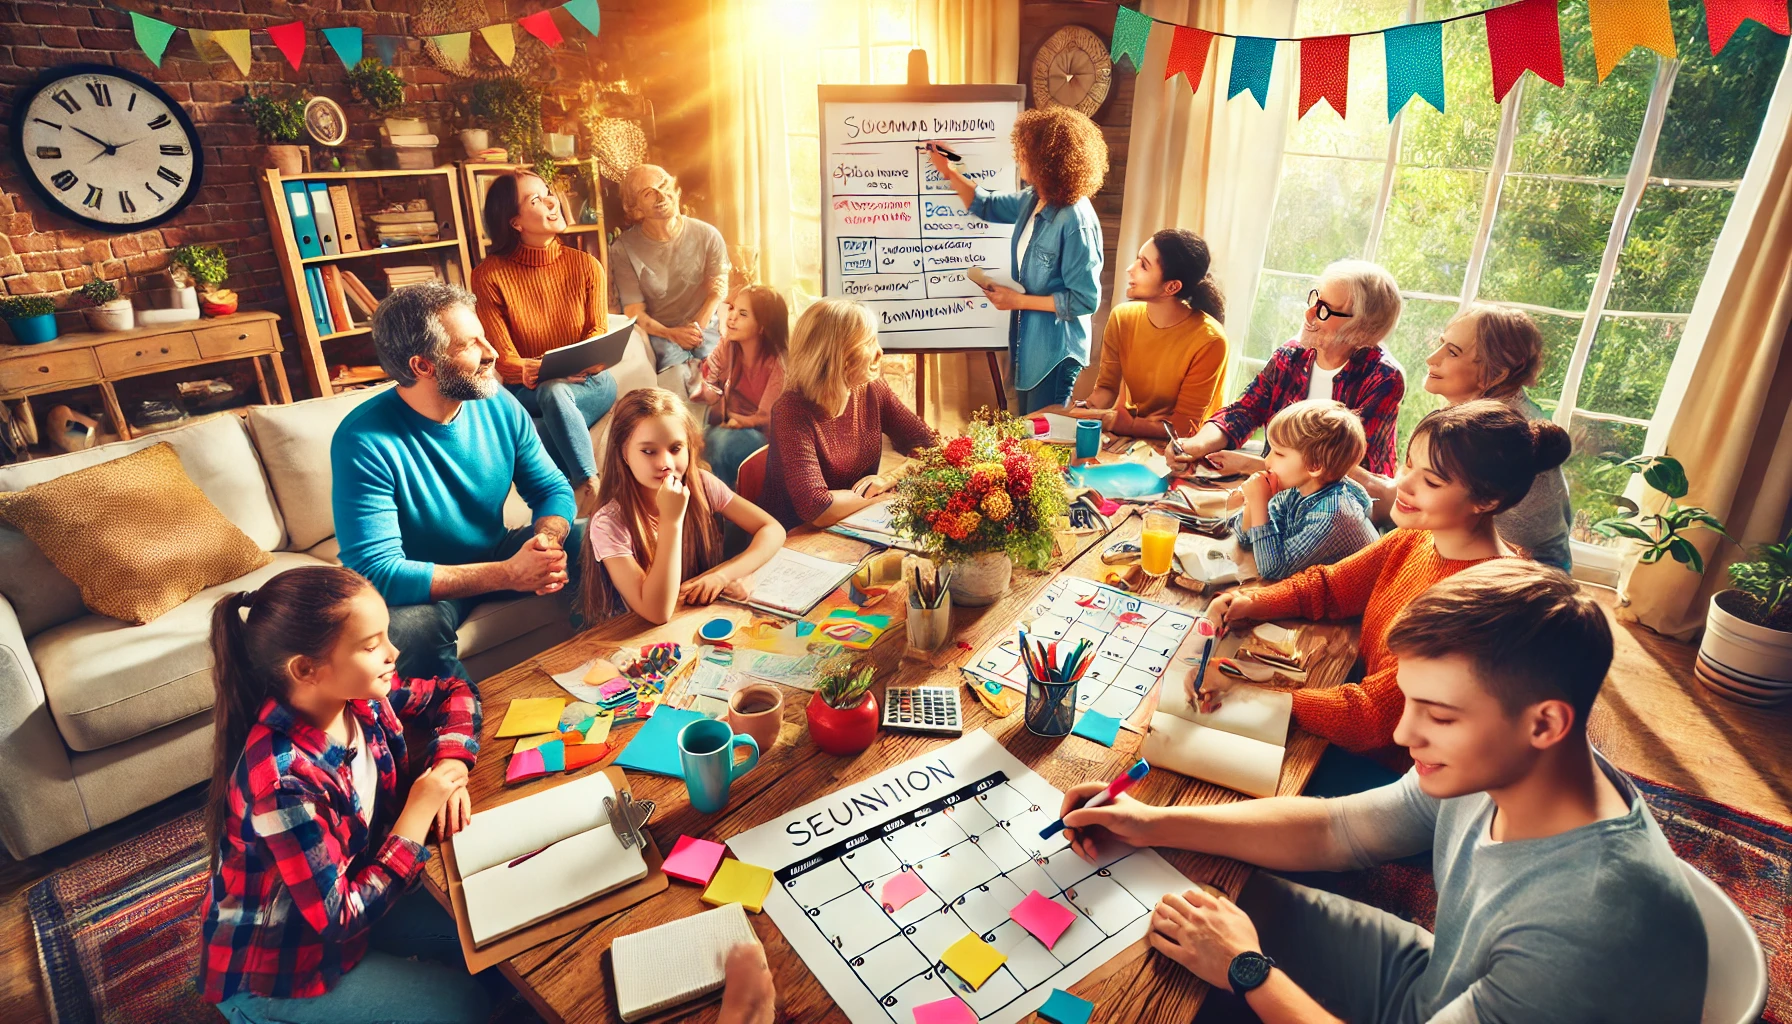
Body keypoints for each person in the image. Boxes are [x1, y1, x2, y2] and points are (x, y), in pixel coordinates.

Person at [1060, 561, 1706, 1024]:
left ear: (1545, 722)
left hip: (1449, 999)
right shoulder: (1520, 765)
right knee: (1174, 892)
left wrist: (1247, 970)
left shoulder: (1588, 929)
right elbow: (1336, 829)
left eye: (1440, 716)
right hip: (1434, 983)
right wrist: (1150, 822)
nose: (1403, 732)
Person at [1199, 400, 1572, 775]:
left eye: (1431, 480)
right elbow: (1330, 587)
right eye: (1409, 464)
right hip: (1353, 724)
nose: (1403, 485)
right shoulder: (1417, 538)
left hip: (1397, 771)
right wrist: (1249, 602)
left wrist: (1246, 691)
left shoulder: (1483, 604)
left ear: (1487, 500)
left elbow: (1370, 719)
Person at [200, 565, 490, 1024]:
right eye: (372, 646)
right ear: (305, 669)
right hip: (282, 966)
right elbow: (339, 918)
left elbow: (454, 692)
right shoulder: (282, 784)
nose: (394, 652)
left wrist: (451, 760)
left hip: (353, 894)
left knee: (494, 936)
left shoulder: (363, 698)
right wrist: (416, 811)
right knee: (463, 1006)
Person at [334, 283, 578, 687]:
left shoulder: (496, 402)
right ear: (423, 366)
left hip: (498, 549)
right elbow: (376, 572)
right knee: (406, 631)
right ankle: (466, 731)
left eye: (483, 336)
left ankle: (609, 674)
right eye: (470, 345)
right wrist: (508, 574)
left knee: (599, 538)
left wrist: (547, 542)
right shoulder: (362, 441)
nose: (492, 352)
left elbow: (551, 486)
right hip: (424, 584)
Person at [1355, 305, 1574, 569]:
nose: (1431, 359)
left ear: (1498, 373)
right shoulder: (1471, 412)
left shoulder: (1494, 434)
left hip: (1512, 576)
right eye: (1441, 344)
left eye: (1452, 352)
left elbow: (1462, 527)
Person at [926, 107, 1108, 413]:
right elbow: (986, 205)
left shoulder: (1076, 220)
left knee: (1041, 441)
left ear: (1047, 160)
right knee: (1028, 434)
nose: (1018, 157)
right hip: (1029, 341)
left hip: (1055, 350)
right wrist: (949, 171)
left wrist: (1017, 301)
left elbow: (1084, 301)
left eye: (1024, 152)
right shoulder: (1036, 197)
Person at [1169, 260, 1405, 478]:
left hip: (1342, 503)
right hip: (1276, 485)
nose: (1308, 313)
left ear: (1361, 329)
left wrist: (1253, 466)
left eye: (1324, 309)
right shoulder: (1292, 355)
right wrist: (1197, 444)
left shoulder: (1383, 378)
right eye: (1315, 299)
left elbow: (1341, 467)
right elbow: (1244, 411)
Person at [471, 170, 619, 516]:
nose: (553, 202)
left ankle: (581, 492)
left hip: (591, 383)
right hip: (531, 389)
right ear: (515, 223)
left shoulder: (586, 266)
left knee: (550, 407)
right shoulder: (489, 275)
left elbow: (598, 333)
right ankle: (588, 487)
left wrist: (575, 365)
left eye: (548, 192)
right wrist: (547, 369)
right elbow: (503, 360)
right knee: (552, 391)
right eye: (535, 200)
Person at [581, 388, 785, 625]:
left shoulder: (702, 485)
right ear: (624, 454)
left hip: (695, 620)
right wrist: (671, 521)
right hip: (638, 639)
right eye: (648, 451)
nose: (665, 463)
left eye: (676, 449)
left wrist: (725, 575)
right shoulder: (609, 523)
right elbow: (657, 612)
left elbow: (772, 529)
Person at [759, 298, 937, 528]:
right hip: (793, 539)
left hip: (853, 524)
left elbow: (930, 447)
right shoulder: (790, 410)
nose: (880, 352)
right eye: (869, 342)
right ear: (840, 355)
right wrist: (884, 497)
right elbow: (818, 509)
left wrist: (889, 479)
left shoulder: (871, 387)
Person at [1070, 229, 1230, 437]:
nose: (1130, 269)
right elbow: (1106, 389)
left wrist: (1125, 425)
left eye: (1144, 265)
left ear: (1171, 287)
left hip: (1184, 451)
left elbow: (1184, 429)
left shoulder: (1210, 340)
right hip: (1131, 438)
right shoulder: (1122, 317)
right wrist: (1087, 410)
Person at [1230, 399, 1379, 581]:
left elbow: (1274, 570)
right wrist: (1252, 503)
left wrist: (1259, 504)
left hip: (1348, 604)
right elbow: (1244, 537)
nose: (1267, 461)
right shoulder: (1297, 487)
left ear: (1314, 465)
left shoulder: (1334, 515)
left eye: (1279, 453)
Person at [611, 163, 729, 390]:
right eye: (648, 193)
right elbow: (634, 311)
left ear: (676, 190)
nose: (661, 195)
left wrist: (697, 327)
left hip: (704, 325)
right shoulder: (623, 248)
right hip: (659, 333)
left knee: (719, 378)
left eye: (664, 186)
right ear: (635, 210)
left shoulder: (707, 234)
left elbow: (718, 288)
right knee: (674, 387)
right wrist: (672, 334)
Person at [691, 285, 789, 488]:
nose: (731, 317)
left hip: (769, 440)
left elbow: (767, 417)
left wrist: (735, 420)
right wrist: (705, 392)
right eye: (733, 308)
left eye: (743, 314)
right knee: (695, 441)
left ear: (762, 326)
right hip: (731, 427)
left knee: (719, 442)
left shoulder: (778, 362)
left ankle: (725, 514)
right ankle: (711, 511)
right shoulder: (728, 345)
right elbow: (712, 383)